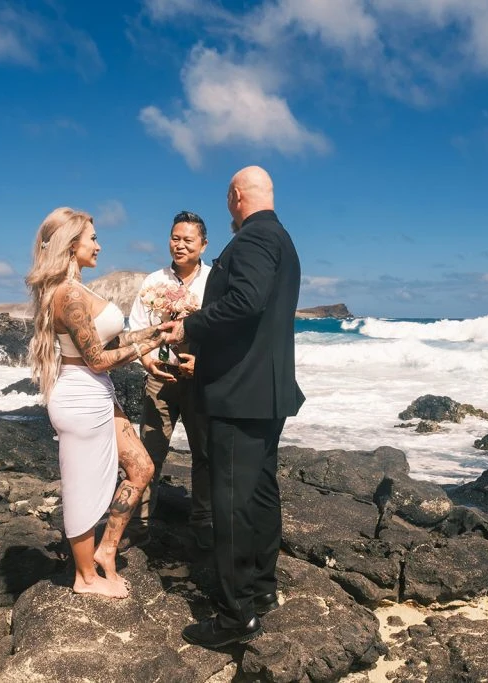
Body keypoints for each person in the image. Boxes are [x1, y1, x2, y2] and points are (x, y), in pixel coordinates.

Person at [166, 166, 305, 648]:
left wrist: (193, 326)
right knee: (261, 494)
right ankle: (262, 590)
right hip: (267, 393)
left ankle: (233, 616)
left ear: (235, 196)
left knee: (229, 504)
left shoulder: (249, 241)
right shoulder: (282, 239)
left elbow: (245, 302)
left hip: (238, 395)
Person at [25, 206, 166, 599]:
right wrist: (149, 345)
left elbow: (107, 342)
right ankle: (85, 578)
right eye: (93, 238)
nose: (99, 246)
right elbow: (97, 358)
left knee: (141, 467)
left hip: (98, 391)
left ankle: (106, 551)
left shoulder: (79, 288)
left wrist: (158, 329)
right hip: (81, 397)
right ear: (72, 245)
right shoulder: (68, 294)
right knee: (83, 489)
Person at [127, 211, 212, 548]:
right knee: (148, 452)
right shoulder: (153, 280)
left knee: (204, 453)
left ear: (203, 245)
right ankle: (139, 523)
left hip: (200, 378)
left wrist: (203, 363)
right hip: (159, 378)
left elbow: (224, 327)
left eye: (187, 240)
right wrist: (146, 359)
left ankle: (204, 523)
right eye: (175, 238)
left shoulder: (214, 281)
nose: (179, 245)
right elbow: (136, 328)